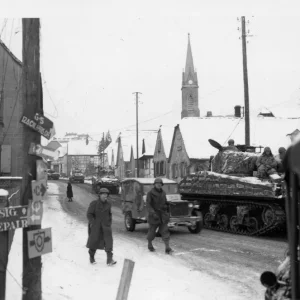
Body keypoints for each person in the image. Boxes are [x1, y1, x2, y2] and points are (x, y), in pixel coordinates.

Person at [86, 188, 116, 266]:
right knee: (94, 242)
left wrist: (109, 223)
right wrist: (93, 223)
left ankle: (109, 259)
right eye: (103, 194)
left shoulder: (108, 204)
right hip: (96, 226)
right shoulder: (94, 203)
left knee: (108, 242)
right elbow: (89, 214)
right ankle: (91, 257)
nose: (105, 196)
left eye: (106, 194)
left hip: (106, 226)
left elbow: (109, 214)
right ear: (100, 195)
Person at [146, 177, 173, 254]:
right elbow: (148, 205)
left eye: (160, 184)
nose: (159, 185)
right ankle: (149, 244)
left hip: (162, 215)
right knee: (152, 232)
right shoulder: (150, 193)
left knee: (165, 231)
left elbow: (163, 202)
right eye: (157, 183)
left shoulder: (163, 192)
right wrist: (153, 213)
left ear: (162, 185)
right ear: (154, 184)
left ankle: (167, 247)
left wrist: (167, 203)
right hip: (154, 215)